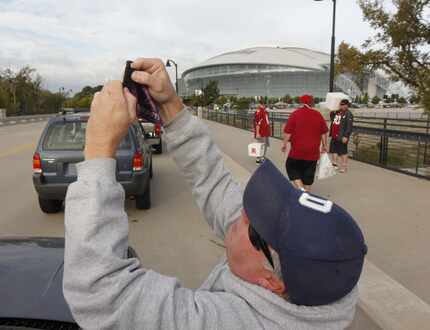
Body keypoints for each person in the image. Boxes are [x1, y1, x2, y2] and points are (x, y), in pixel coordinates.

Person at [63, 58, 367, 330]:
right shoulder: (299, 279)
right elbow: (214, 183)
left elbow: (101, 294)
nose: (243, 210)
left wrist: (99, 150)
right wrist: (170, 106)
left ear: (270, 281)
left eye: (255, 223)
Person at [281, 95, 329, 191]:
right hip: (313, 152)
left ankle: (301, 189)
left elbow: (288, 132)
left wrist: (284, 144)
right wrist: (325, 145)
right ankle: (306, 194)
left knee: (291, 167)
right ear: (312, 103)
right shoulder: (318, 115)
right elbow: (324, 132)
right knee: (308, 174)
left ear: (301, 103)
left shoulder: (295, 114)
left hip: (297, 151)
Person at [329, 99, 354, 173]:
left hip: (342, 136)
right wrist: (333, 111)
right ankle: (335, 165)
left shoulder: (348, 114)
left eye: (343, 104)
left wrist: (346, 136)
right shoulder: (337, 112)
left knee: (343, 152)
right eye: (341, 104)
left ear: (347, 105)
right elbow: (332, 118)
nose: (341, 106)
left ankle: (344, 166)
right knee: (334, 150)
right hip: (334, 135)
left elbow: (349, 126)